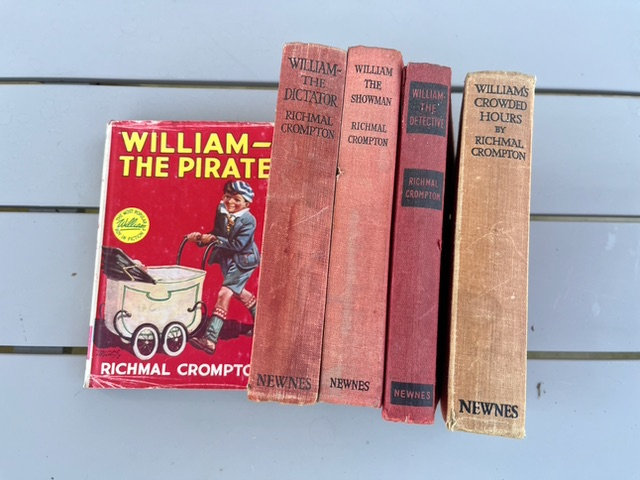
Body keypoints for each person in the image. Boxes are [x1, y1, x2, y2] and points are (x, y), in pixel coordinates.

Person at [187, 180, 260, 354]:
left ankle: (210, 340)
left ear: (247, 203)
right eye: (227, 197)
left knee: (224, 294)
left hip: (244, 261)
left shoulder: (249, 221)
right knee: (238, 292)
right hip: (227, 259)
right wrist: (200, 238)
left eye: (237, 199)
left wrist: (213, 240)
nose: (230, 202)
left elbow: (238, 245)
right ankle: (264, 325)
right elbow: (217, 233)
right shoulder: (221, 210)